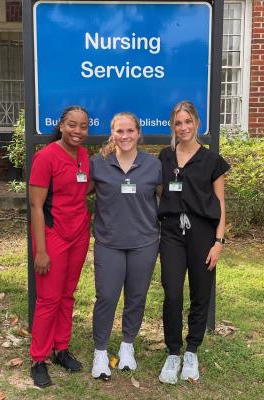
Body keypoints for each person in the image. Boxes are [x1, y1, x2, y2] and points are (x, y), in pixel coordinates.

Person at [158, 101, 230, 384]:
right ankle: (173, 352)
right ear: (172, 126)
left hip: (203, 233)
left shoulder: (212, 161)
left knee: (200, 294)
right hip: (173, 232)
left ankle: (192, 351)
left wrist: (219, 241)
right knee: (173, 293)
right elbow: (158, 190)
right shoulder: (165, 157)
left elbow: (221, 204)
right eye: (178, 123)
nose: (183, 127)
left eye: (188, 121)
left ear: (197, 123)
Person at [89, 112, 162, 380]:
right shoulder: (99, 163)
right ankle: (100, 352)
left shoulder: (153, 165)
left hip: (144, 242)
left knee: (136, 297)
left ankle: (127, 346)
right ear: (112, 133)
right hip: (109, 243)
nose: (125, 136)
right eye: (120, 131)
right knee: (107, 297)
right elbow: (78, 192)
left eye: (130, 130)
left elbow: (165, 200)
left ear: (138, 133)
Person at [29, 105, 90, 388]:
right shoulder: (46, 156)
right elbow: (36, 206)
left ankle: (60, 349)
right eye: (72, 125)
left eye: (83, 126)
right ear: (61, 126)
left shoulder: (84, 155)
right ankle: (38, 359)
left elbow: (83, 188)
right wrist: (40, 250)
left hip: (79, 233)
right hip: (53, 234)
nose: (78, 131)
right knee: (48, 298)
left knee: (67, 295)